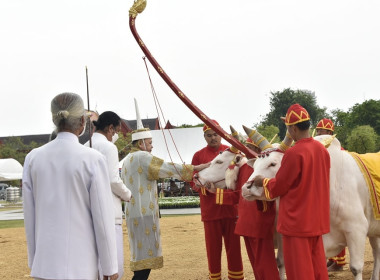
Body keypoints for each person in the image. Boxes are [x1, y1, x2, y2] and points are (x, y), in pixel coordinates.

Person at [23, 92, 118, 280]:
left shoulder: (33, 158)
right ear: (83, 122)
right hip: (81, 267)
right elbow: (102, 219)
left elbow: (30, 217)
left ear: (54, 119)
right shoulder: (93, 159)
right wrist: (110, 267)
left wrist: (35, 261)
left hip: (44, 266)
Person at [120, 99, 209, 280]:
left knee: (140, 258)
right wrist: (196, 168)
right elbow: (168, 167)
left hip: (133, 212)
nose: (152, 146)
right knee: (145, 261)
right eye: (150, 142)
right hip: (144, 214)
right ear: (141, 143)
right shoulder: (143, 156)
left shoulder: (128, 159)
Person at [244, 104, 330, 280]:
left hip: (296, 222)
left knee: (300, 272)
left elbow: (280, 186)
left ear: (293, 128)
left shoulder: (294, 152)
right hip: (317, 220)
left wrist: (263, 181)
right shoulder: (322, 150)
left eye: (289, 128)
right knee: (318, 268)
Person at [208, 133, 281, 279]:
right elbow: (238, 195)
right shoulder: (244, 167)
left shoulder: (264, 167)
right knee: (256, 264)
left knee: (265, 263)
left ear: (257, 149)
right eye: (246, 147)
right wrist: (216, 192)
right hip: (246, 223)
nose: (246, 150)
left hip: (260, 221)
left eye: (249, 147)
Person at [191, 121, 244, 280]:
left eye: (216, 135)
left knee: (234, 249)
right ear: (204, 137)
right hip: (210, 210)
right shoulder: (198, 155)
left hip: (230, 209)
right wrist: (204, 187)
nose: (213, 138)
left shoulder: (232, 153)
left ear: (220, 135)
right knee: (213, 250)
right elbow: (193, 181)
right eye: (209, 135)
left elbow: (240, 178)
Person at [85, 111, 132, 280]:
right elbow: (113, 179)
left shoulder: (85, 145)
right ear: (110, 128)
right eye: (117, 131)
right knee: (114, 267)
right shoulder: (109, 147)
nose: (117, 135)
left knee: (94, 267)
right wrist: (128, 194)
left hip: (88, 214)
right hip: (110, 214)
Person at [316, 118, 346, 271]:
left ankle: (339, 262)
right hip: (327, 192)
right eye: (318, 130)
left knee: (339, 227)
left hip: (341, 194)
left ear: (329, 132)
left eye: (321, 131)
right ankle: (334, 259)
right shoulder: (322, 148)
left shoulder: (340, 152)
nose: (318, 133)